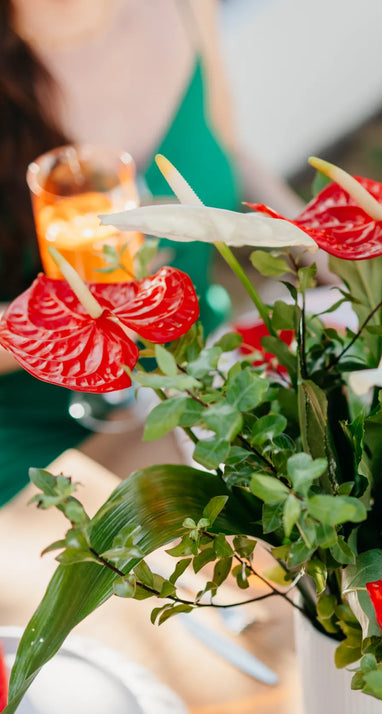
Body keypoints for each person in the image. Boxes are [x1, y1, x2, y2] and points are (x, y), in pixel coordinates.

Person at [0, 0, 304, 505]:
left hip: (200, 372)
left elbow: (225, 148)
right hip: (36, 441)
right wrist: (64, 320)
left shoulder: (184, 6)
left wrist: (305, 234)